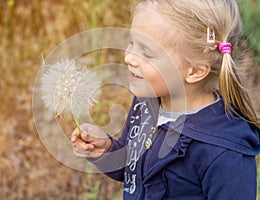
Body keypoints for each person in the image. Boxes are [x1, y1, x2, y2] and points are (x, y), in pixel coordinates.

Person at [71, 0, 260, 199]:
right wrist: (107, 151)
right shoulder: (147, 103)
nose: (128, 57)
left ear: (195, 71)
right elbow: (134, 170)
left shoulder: (224, 154)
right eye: (132, 42)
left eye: (147, 52)